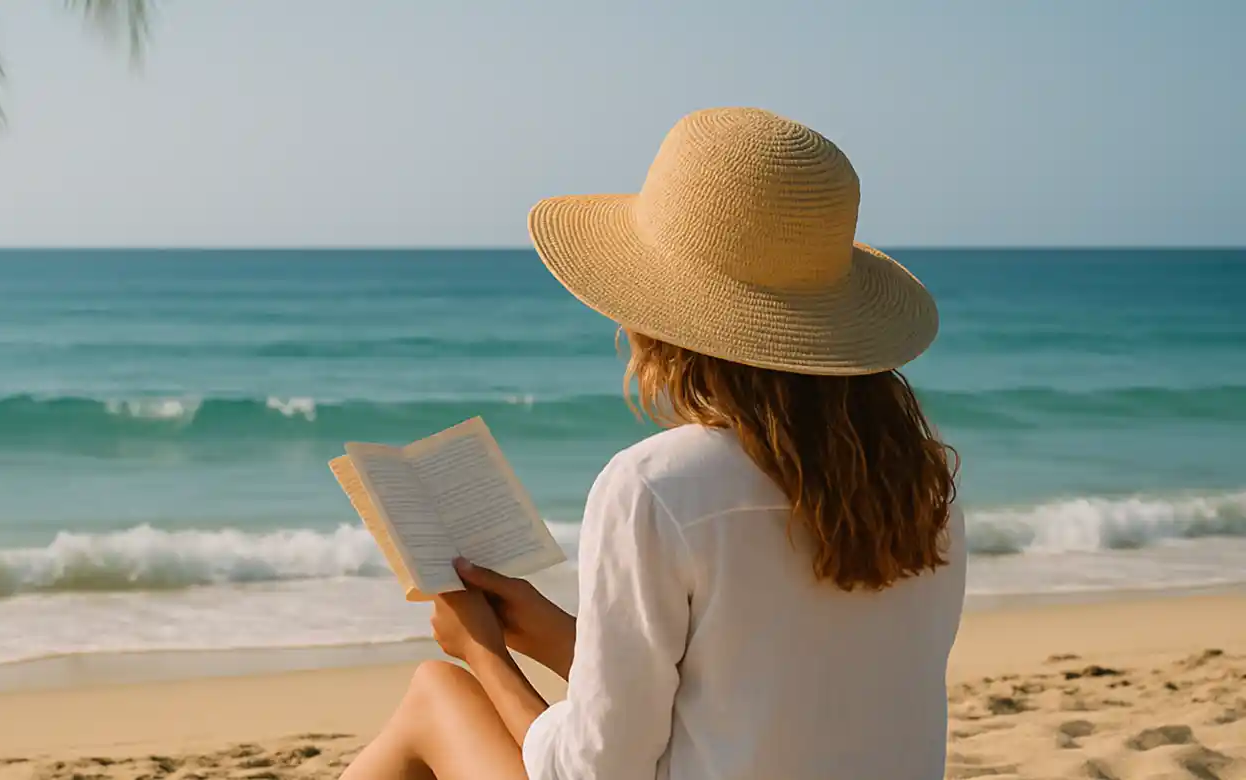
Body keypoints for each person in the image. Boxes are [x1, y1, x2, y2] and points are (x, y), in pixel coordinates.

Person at [339, 107, 967, 780]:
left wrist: (485, 654)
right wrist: (551, 632)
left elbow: (595, 774)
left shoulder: (656, 487)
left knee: (440, 695)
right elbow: (748, 689)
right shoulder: (921, 486)